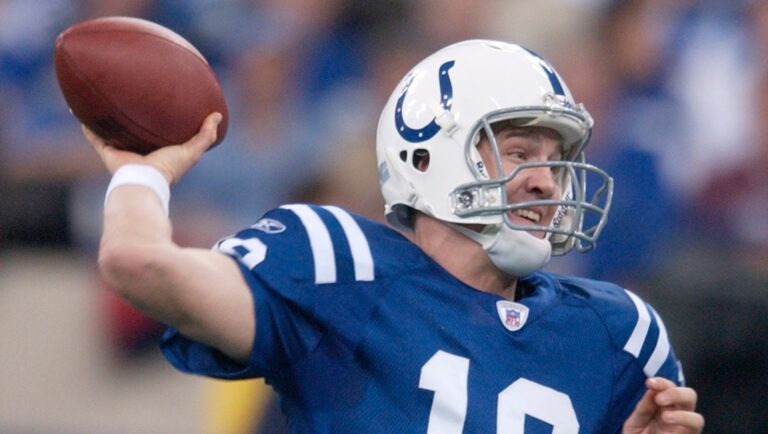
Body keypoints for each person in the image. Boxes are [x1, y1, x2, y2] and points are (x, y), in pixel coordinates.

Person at [86, 40, 703, 433]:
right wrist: (143, 173)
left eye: (555, 159)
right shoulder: (337, 267)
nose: (545, 181)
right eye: (517, 152)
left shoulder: (618, 335)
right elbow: (137, 262)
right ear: (427, 158)